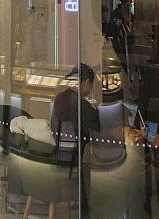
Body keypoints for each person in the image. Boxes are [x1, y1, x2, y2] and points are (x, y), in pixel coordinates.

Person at [51, 63, 101, 213]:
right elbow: (98, 128)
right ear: (86, 83)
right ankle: (88, 207)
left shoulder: (60, 97)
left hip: (58, 153)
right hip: (74, 159)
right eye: (91, 86)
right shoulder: (81, 104)